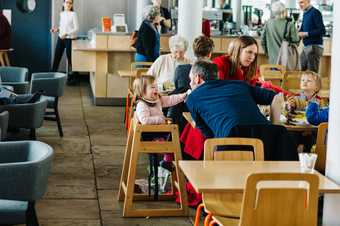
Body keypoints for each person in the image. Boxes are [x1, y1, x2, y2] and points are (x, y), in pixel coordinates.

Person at [186, 60, 283, 138]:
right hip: (265, 133)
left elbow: (209, 135)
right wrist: (274, 127)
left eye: (190, 80)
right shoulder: (239, 84)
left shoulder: (193, 97)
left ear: (197, 78)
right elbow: (277, 97)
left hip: (232, 140)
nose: (190, 84)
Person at [133, 76, 189, 170]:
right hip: (148, 134)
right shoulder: (142, 104)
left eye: (156, 86)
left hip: (158, 130)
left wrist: (183, 96)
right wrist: (160, 119)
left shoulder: (157, 99)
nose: (156, 89)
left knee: (176, 131)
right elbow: (145, 121)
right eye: (152, 87)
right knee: (175, 132)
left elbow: (170, 99)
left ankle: (167, 159)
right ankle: (168, 159)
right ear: (142, 91)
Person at [213, 35, 291, 95]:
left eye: (254, 54)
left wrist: (289, 95)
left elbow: (260, 85)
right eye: (249, 52)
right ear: (238, 50)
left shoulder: (249, 68)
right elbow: (218, 91)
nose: (252, 57)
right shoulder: (220, 63)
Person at [168, 35, 215, 132]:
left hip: (181, 118)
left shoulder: (181, 69)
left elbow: (177, 91)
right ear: (210, 54)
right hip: (207, 117)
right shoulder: (215, 71)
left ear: (194, 52)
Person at [51, 0, 79, 85]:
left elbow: (76, 28)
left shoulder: (73, 14)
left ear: (72, 4)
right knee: (57, 57)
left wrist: (66, 33)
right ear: (63, 3)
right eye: (67, 2)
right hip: (61, 38)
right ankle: (51, 76)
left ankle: (73, 77)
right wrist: (57, 29)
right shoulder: (62, 13)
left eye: (70, 3)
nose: (68, 4)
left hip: (70, 39)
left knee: (70, 59)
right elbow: (62, 26)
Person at [298, 0, 325, 73]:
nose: (300, 5)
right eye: (298, 3)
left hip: (314, 46)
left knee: (312, 74)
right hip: (307, 46)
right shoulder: (305, 13)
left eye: (302, 2)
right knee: (300, 69)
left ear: (308, 1)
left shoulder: (315, 12)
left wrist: (306, 34)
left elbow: (322, 30)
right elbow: (301, 30)